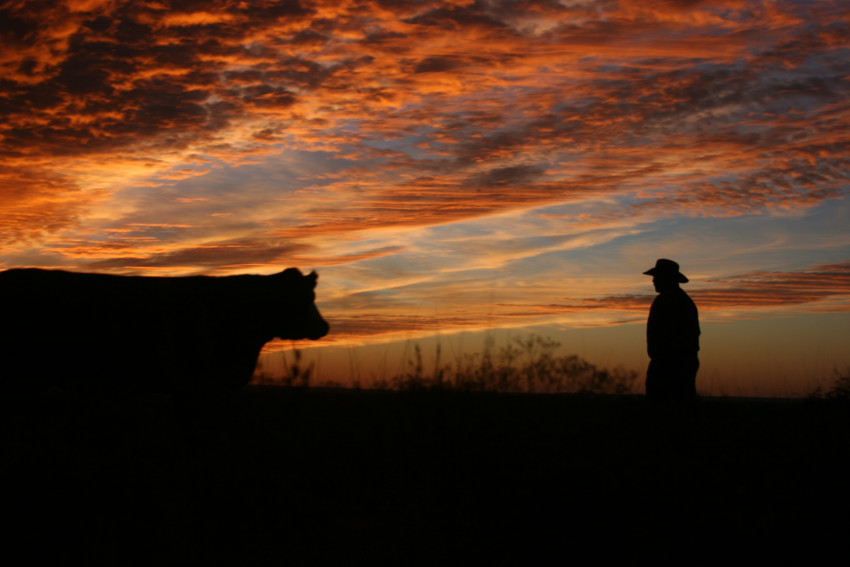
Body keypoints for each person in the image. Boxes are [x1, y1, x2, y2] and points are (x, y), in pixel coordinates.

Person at [643, 259, 700, 400]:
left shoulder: (666, 300)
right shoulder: (684, 300)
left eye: (657, 277)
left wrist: (662, 361)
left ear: (667, 278)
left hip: (668, 366)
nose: (653, 281)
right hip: (681, 364)